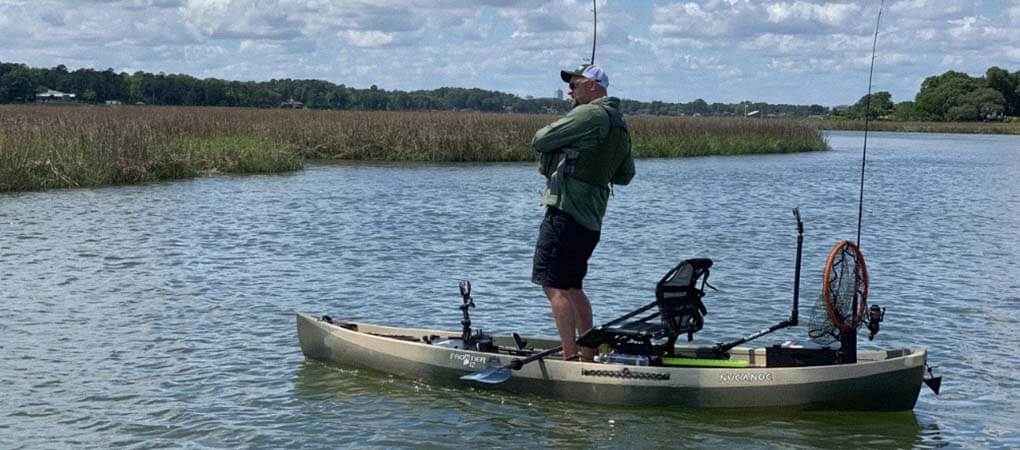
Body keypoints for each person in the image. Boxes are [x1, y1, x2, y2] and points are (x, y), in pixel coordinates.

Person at [531, 63, 635, 361]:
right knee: (573, 286)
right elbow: (625, 175)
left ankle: (569, 359)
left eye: (574, 86)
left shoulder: (588, 113)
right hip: (591, 220)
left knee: (553, 286)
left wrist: (572, 127)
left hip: (565, 212)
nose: (569, 91)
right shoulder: (619, 122)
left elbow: (539, 139)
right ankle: (588, 354)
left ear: (592, 86)